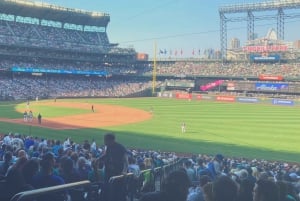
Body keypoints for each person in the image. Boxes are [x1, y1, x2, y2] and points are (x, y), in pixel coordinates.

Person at [100, 133, 128, 201]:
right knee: (108, 192)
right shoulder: (109, 147)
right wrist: (98, 159)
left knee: (117, 193)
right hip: (109, 173)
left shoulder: (120, 147)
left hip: (117, 174)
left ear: (111, 140)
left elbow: (126, 161)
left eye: (105, 140)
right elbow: (106, 155)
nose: (104, 142)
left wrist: (124, 171)